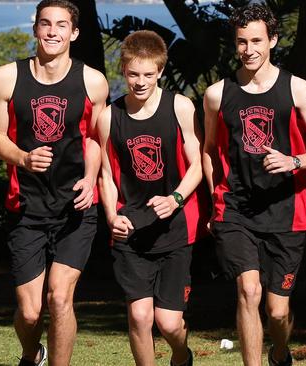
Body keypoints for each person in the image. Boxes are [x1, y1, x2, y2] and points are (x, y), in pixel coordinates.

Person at [202, 4, 306, 365]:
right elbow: (209, 150)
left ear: (273, 40)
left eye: (256, 40)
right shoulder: (216, 94)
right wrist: (215, 200)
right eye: (241, 42)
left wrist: (294, 161)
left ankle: (281, 350)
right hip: (235, 209)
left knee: (277, 311)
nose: (249, 49)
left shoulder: (298, 90)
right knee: (248, 290)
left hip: (287, 212)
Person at [0, 1, 108, 365]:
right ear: (35, 29)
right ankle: (31, 353)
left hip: (76, 206)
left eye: (61, 25)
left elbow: (95, 140)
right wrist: (23, 158)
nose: (52, 32)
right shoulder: (7, 77)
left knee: (59, 297)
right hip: (25, 207)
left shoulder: (93, 81)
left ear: (74, 33)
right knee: (29, 312)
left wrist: (90, 179)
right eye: (45, 24)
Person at [98, 30, 204, 366]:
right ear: (123, 70)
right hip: (131, 228)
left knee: (169, 323)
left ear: (160, 70)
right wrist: (112, 217)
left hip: (175, 227)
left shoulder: (180, 107)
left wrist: (175, 198)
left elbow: (198, 166)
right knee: (141, 317)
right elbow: (106, 175)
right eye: (133, 74)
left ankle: (180, 354)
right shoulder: (109, 117)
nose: (140, 82)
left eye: (148, 74)